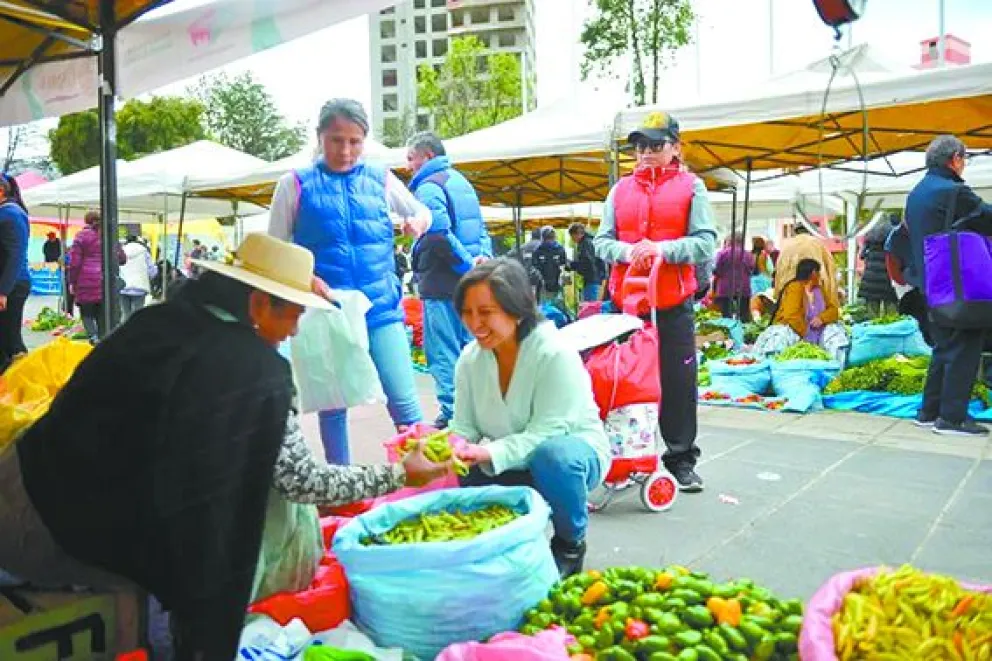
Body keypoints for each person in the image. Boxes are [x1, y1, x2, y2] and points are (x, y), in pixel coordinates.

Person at [0, 234, 450, 660]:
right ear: (257, 303)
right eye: (293, 311)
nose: (295, 329)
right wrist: (398, 474)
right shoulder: (253, 373)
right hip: (62, 540)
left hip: (20, 486)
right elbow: (301, 480)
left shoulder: (160, 321)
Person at [269, 98, 430, 464]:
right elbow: (275, 251)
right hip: (329, 315)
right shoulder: (294, 185)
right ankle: (341, 485)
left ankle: (429, 479)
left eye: (355, 141)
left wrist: (418, 223)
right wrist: (305, 277)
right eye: (336, 140)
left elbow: (422, 210)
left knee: (404, 402)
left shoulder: (380, 179)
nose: (345, 150)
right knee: (333, 406)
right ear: (319, 137)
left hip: (381, 309)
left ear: (365, 140)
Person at [450, 259, 609, 577]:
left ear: (517, 310)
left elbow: (546, 434)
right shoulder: (470, 360)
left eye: (486, 312)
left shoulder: (554, 354)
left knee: (554, 457)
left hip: (569, 457)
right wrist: (442, 444)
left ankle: (569, 543)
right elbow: (464, 426)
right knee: (461, 467)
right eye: (467, 312)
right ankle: (501, 544)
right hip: (512, 458)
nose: (474, 324)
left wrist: (486, 452)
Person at [593, 111, 717, 492]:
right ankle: (622, 456)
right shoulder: (619, 191)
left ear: (676, 148)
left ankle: (680, 459)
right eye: (640, 146)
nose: (646, 153)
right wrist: (630, 253)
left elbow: (706, 241)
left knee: (678, 384)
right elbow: (602, 242)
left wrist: (662, 249)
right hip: (628, 304)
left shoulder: (691, 187)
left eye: (655, 145)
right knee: (623, 381)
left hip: (672, 301)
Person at [905, 135, 992, 436]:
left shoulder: (917, 192)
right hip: (959, 283)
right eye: (963, 159)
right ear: (954, 158)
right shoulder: (954, 191)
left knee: (944, 347)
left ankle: (929, 411)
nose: (964, 165)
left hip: (931, 282)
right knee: (965, 344)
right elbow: (987, 219)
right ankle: (952, 418)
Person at [406, 131, 492, 429]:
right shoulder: (461, 182)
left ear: (426, 156)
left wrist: (467, 265)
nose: (408, 166)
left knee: (443, 352)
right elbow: (481, 229)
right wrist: (481, 262)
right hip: (470, 285)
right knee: (472, 347)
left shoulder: (428, 188)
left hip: (442, 284)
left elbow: (437, 235)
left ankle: (457, 416)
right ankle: (478, 412)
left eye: (410, 158)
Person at [753, 258, 847, 359]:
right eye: (818, 272)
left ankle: (834, 366)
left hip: (820, 333)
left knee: (836, 336)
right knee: (781, 339)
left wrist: (821, 318)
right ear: (813, 273)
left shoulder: (820, 290)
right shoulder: (795, 287)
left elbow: (833, 310)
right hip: (796, 331)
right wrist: (806, 335)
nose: (820, 275)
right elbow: (791, 315)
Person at [67, 210, 126, 343]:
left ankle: (93, 337)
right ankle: (102, 339)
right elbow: (122, 259)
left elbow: (75, 263)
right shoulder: (110, 235)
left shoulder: (81, 236)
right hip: (106, 281)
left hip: (85, 282)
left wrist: (72, 282)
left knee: (86, 313)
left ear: (86, 221)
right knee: (103, 314)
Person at [0, 174, 30, 372]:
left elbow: (15, 255)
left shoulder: (11, 214)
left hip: (12, 286)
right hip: (8, 285)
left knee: (8, 341)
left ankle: (20, 378)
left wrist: (3, 291)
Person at [884, 218, 931, 345]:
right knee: (914, 320)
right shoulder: (895, 237)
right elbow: (891, 263)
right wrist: (902, 282)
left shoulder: (925, 229)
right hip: (908, 286)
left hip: (925, 285)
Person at [773, 224, 839, 304]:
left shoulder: (787, 247)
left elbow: (779, 272)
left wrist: (778, 296)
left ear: (796, 232)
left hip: (790, 292)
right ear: (810, 231)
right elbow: (830, 271)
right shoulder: (818, 244)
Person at [712, 233, 755, 322]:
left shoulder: (722, 253)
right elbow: (751, 270)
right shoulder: (748, 255)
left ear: (730, 241)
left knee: (726, 316)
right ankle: (743, 333)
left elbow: (717, 270)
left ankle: (729, 334)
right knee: (744, 315)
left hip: (725, 288)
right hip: (743, 288)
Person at [858, 220, 898, 316]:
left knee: (872, 316)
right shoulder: (893, 236)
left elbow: (861, 255)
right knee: (891, 317)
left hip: (870, 280)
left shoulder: (869, 237)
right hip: (888, 279)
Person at [119, 235, 156, 320]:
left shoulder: (121, 251)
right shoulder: (144, 251)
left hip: (123, 287)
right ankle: (136, 332)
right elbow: (152, 271)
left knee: (125, 313)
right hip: (140, 287)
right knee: (138, 314)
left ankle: (125, 332)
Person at [568, 222, 605, 302]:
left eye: (572, 236)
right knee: (592, 304)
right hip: (596, 278)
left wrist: (572, 265)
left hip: (591, 279)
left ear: (577, 234)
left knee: (590, 306)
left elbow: (586, 262)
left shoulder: (585, 244)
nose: (572, 239)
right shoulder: (591, 241)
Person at [532, 226, 568, 302]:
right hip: (543, 286)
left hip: (556, 285)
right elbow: (535, 268)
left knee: (555, 307)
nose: (550, 241)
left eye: (551, 238)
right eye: (548, 238)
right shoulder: (538, 251)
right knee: (545, 307)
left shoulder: (560, 249)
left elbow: (564, 266)